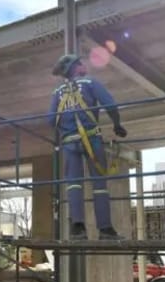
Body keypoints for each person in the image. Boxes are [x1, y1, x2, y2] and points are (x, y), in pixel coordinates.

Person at [48, 53, 128, 240]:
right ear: (75, 68)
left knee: (74, 184)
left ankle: (78, 229)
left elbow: (51, 120)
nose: (84, 65)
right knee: (99, 184)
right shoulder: (90, 82)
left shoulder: (57, 92)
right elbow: (110, 105)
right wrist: (117, 125)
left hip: (69, 143)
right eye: (79, 63)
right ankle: (105, 230)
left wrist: (66, 131)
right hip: (92, 140)